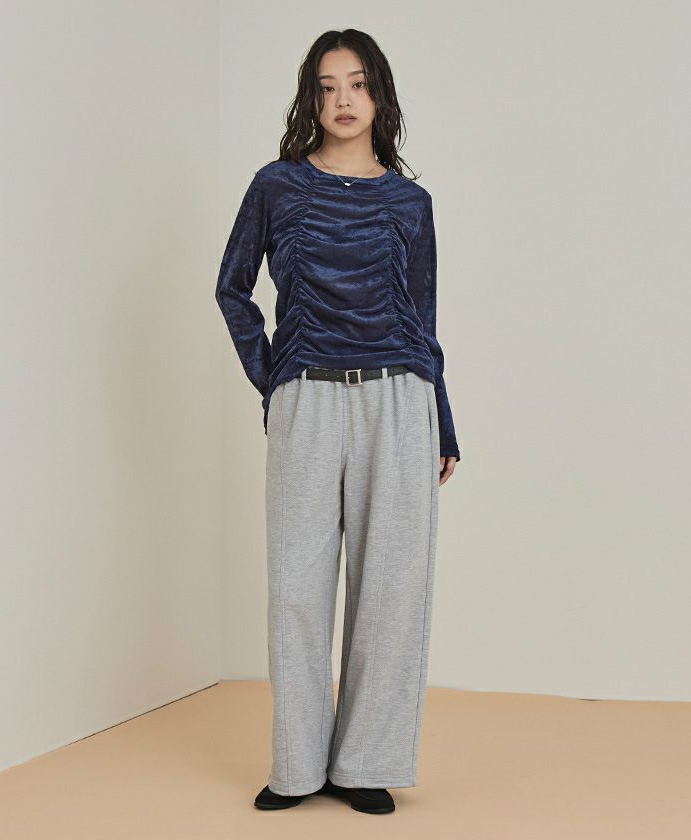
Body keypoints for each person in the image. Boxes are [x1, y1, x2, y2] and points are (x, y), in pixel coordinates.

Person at [215, 29, 461, 815]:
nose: (343, 100)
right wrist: (274, 375)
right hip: (309, 396)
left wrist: (443, 422)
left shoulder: (410, 203)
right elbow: (231, 288)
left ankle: (364, 765)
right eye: (327, 87)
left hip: (399, 398)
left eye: (357, 84)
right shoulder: (277, 186)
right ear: (311, 99)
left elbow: (423, 318)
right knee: (296, 587)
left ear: (379, 95)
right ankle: (296, 767)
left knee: (391, 589)